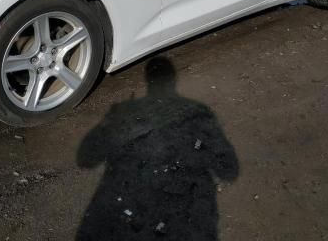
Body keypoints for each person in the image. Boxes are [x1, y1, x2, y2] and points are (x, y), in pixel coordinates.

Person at [76, 57, 239, 240]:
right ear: (173, 80)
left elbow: (85, 158)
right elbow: (229, 170)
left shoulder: (126, 111)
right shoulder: (198, 112)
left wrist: (110, 122)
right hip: (185, 222)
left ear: (147, 80)